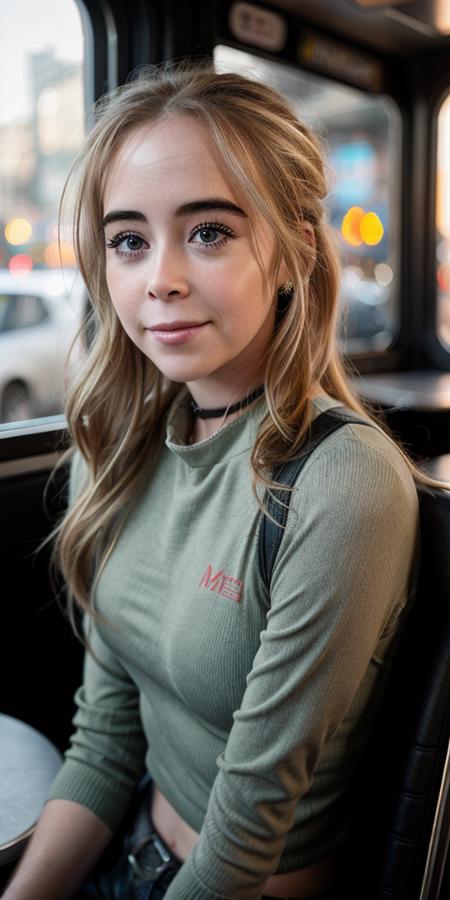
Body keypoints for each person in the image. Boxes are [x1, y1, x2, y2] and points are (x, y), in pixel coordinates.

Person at [3, 63, 426, 900]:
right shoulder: (119, 441)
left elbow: (247, 829)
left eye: (209, 232)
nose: (158, 277)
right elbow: (106, 738)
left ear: (292, 254)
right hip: (129, 847)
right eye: (129, 240)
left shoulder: (342, 482)